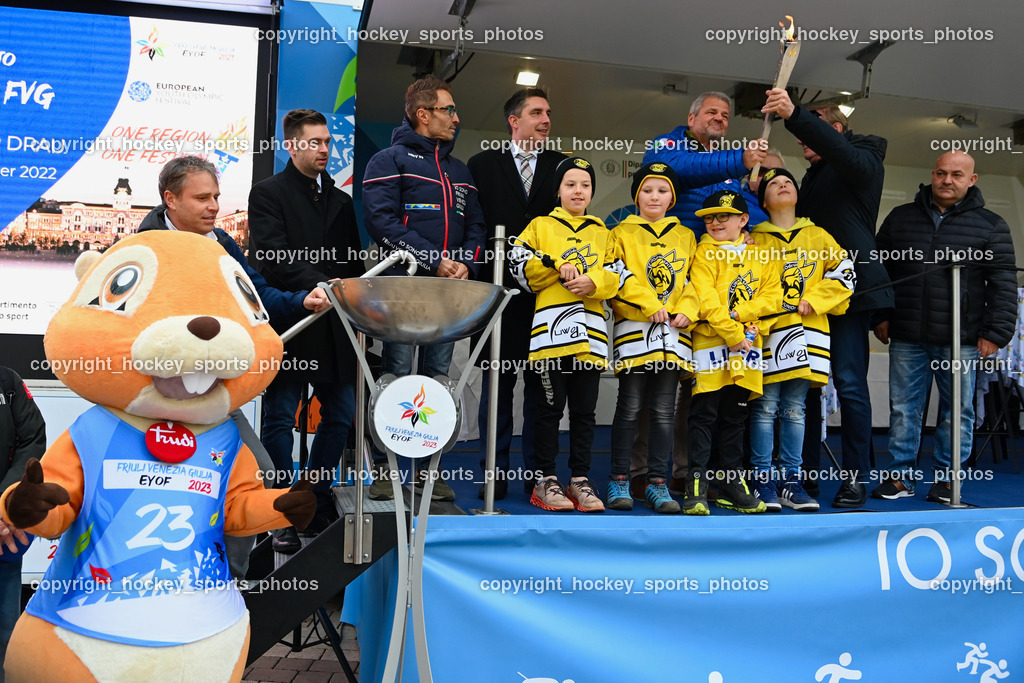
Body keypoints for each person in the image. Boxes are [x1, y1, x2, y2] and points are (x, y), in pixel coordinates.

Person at [139, 155, 327, 563]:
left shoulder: (222, 242)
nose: (213, 206)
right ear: (170, 199)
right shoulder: (141, 248)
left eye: (217, 197)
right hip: (154, 401)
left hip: (213, 392)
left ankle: (230, 579)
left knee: (257, 472)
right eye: (202, 197)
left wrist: (301, 300)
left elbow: (255, 296)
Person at [762, 90, 893, 508]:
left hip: (850, 295)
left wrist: (795, 114)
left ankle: (855, 480)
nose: (804, 141)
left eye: (812, 131)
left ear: (836, 129)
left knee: (850, 384)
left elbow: (844, 156)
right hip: (806, 300)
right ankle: (807, 478)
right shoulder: (812, 177)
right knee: (809, 386)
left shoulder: (865, 154)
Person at [362, 77, 486, 504]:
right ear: (423, 113)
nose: (457, 118)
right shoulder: (388, 160)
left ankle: (428, 472)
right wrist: (436, 260)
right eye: (449, 110)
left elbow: (477, 227)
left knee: (438, 382)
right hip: (403, 290)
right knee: (394, 375)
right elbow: (382, 223)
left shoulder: (460, 170)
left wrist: (466, 261)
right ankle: (385, 468)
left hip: (448, 294)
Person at [248, 109, 365, 552]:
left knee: (341, 413)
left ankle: (313, 499)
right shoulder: (267, 194)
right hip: (290, 319)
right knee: (279, 416)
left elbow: (353, 263)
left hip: (336, 325)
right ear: (291, 145)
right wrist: (315, 286)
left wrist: (351, 298)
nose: (323, 149)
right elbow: (270, 256)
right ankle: (281, 507)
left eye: (327, 142)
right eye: (314, 142)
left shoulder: (340, 199)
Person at [871, 152, 1017, 504]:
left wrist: (996, 334)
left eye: (956, 174)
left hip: (962, 339)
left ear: (972, 180)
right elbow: (879, 272)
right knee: (904, 408)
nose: (947, 180)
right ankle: (901, 479)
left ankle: (948, 482)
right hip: (906, 333)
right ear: (932, 175)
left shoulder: (991, 225)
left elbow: (1003, 284)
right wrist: (878, 316)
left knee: (958, 412)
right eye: (940, 173)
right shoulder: (900, 217)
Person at [467, 87, 560, 499]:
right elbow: (472, 227)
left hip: (547, 302)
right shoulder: (481, 165)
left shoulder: (562, 167)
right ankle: (493, 473)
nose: (545, 120)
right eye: (536, 113)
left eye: (548, 113)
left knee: (543, 395)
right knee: (497, 391)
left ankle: (541, 477)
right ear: (514, 120)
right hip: (497, 298)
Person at [509, 157, 616, 513]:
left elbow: (619, 275)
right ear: (558, 190)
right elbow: (519, 267)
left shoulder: (604, 233)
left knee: (585, 412)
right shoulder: (540, 225)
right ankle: (545, 480)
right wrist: (554, 267)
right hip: (550, 337)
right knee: (548, 409)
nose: (578, 191)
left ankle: (580, 480)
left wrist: (595, 281)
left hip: (591, 337)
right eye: (570, 184)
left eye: (585, 185)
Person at [749, 168, 855, 512]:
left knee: (795, 409)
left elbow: (846, 273)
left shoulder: (819, 235)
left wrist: (817, 299)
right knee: (764, 407)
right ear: (763, 200)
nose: (782, 185)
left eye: (788, 182)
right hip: (767, 334)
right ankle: (761, 480)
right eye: (773, 184)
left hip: (809, 333)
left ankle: (791, 481)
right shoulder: (754, 239)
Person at [604, 163, 698, 513]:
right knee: (629, 407)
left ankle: (659, 483)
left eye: (661, 191)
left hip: (674, 336)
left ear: (672, 198)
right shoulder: (621, 232)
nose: (654, 197)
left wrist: (687, 308)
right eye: (647, 190)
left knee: (663, 411)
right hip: (634, 332)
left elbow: (695, 280)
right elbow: (616, 272)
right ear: (637, 196)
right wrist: (648, 304)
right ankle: (619, 480)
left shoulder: (686, 236)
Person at [683, 190, 781, 515]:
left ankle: (731, 484)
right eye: (709, 217)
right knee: (703, 414)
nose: (714, 223)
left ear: (743, 220)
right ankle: (695, 485)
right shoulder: (703, 251)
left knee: (736, 417)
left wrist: (741, 321)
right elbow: (706, 297)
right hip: (712, 343)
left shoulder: (762, 254)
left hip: (748, 347)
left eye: (723, 216)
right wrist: (733, 333)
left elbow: (774, 297)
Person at [643, 91, 769, 238]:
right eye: (712, 112)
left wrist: (743, 231)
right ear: (691, 118)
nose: (719, 118)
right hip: (670, 250)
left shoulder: (729, 165)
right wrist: (741, 160)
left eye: (725, 116)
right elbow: (675, 168)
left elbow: (736, 209)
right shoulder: (667, 144)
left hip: (712, 257)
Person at [0, 366, 45, 671]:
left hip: (4, 531)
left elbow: (33, 439)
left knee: (5, 632)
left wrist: (4, 504)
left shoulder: (7, 381)